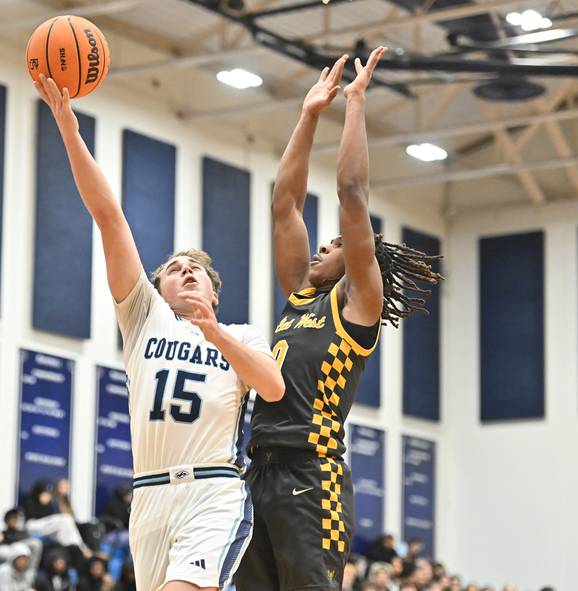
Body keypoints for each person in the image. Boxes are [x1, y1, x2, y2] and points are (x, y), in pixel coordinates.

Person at [33, 72, 284, 591]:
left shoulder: (242, 335)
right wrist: (68, 128)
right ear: (158, 286)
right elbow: (109, 217)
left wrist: (215, 332)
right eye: (175, 267)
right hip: (148, 495)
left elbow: (274, 386)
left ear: (214, 293)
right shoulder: (144, 317)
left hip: (213, 490)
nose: (187, 270)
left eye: (197, 269)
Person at [237, 48, 441, 591]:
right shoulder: (299, 294)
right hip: (258, 470)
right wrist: (308, 116)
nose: (324, 245)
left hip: (312, 473)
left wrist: (353, 103)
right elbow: (285, 203)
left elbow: (351, 194)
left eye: (335, 244)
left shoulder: (355, 309)